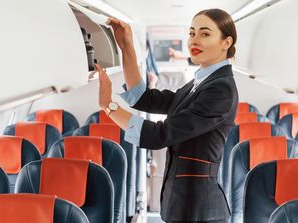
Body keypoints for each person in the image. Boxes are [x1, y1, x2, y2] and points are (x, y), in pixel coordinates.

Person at [96, 8, 239, 222]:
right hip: (183, 204)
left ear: (226, 42)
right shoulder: (199, 82)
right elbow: (145, 98)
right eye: (192, 33)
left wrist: (109, 106)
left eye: (205, 33)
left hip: (200, 210)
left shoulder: (221, 90)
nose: (194, 40)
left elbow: (158, 136)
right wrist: (126, 47)